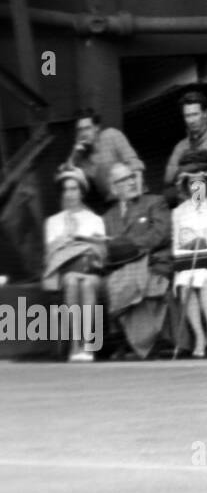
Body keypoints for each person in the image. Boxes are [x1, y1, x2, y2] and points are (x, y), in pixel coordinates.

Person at [102, 163, 173, 360]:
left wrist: (126, 245)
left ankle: (142, 343)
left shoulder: (154, 202)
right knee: (112, 282)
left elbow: (161, 234)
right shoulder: (108, 217)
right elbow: (106, 248)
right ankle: (134, 342)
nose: (132, 181)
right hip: (120, 268)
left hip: (153, 261)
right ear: (114, 188)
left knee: (133, 280)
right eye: (124, 180)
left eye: (132, 177)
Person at [42, 167, 106, 362]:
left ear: (82, 191)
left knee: (86, 283)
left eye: (74, 189)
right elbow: (50, 255)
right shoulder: (53, 221)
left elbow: (102, 254)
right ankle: (75, 345)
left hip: (90, 271)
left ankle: (87, 345)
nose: (69, 194)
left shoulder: (95, 219)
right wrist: (67, 236)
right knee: (71, 280)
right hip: (65, 274)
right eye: (66, 189)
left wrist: (85, 245)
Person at [171, 149, 207, 358]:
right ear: (186, 183)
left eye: (200, 180)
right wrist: (188, 246)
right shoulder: (179, 212)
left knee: (202, 280)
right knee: (185, 283)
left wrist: (205, 242)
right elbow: (175, 245)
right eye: (192, 181)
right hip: (187, 265)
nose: (197, 184)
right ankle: (200, 337)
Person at [62, 109, 144, 208]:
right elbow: (65, 177)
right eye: (80, 130)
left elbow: (135, 165)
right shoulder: (81, 156)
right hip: (113, 203)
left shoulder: (111, 135)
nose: (83, 133)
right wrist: (74, 155)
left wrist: (139, 199)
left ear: (96, 128)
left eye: (87, 128)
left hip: (135, 193)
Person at [164, 90, 207, 187]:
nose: (191, 120)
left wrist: (185, 169)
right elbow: (168, 179)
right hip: (188, 198)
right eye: (188, 116)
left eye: (195, 114)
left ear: (205, 113)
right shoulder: (180, 147)